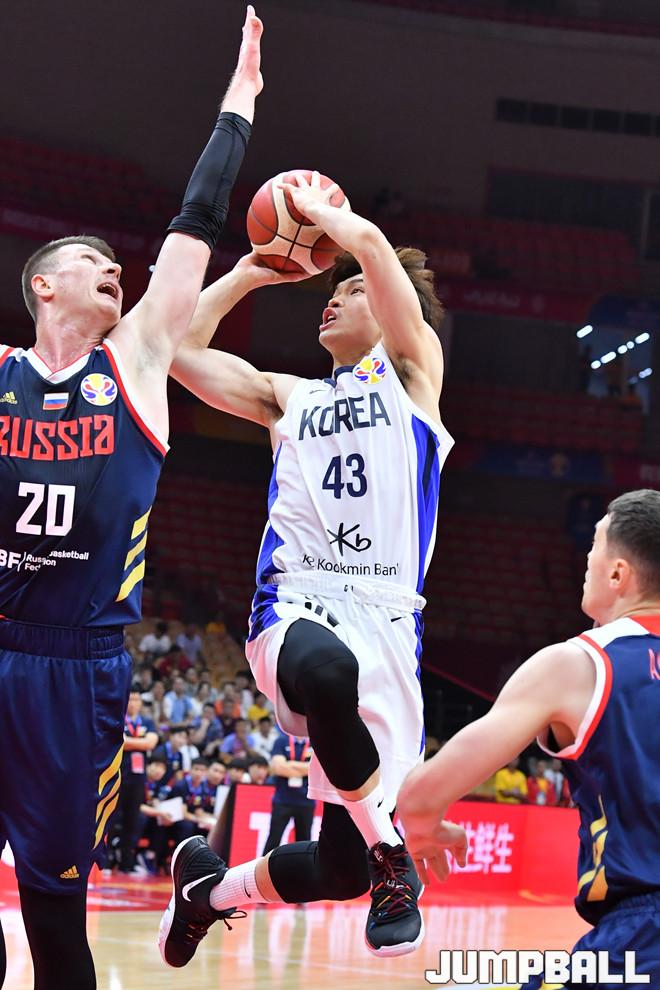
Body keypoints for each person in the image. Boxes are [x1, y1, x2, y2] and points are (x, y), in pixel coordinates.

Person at [0, 8, 261, 984]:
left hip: (77, 673)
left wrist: (240, 101)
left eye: (118, 266)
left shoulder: (138, 361)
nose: (114, 270)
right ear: (43, 288)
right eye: (90, 263)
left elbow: (193, 228)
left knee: (55, 919)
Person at [157, 170, 452, 967]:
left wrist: (327, 215)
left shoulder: (413, 376)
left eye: (352, 291)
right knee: (325, 671)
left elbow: (376, 254)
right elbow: (178, 352)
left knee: (338, 870)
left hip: (388, 623)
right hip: (297, 604)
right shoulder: (289, 397)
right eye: (333, 290)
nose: (334, 299)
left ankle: (208, 891)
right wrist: (250, 272)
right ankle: (394, 857)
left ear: (388, 307)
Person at [397, 489, 660, 988]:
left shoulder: (577, 664)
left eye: (594, 545)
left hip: (642, 939)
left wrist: (426, 828)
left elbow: (419, 798)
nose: (585, 559)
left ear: (618, 574)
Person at [116, 691, 159, 874]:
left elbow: (150, 744)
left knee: (133, 820)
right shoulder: (118, 718)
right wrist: (139, 742)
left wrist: (128, 742)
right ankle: (107, 861)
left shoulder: (147, 722)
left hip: (138, 778)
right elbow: (117, 741)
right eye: (130, 699)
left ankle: (127, 863)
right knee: (112, 819)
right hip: (118, 775)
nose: (133, 703)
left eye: (136, 699)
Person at [262, 734, 316, 855]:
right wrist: (306, 768)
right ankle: (264, 865)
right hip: (282, 800)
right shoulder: (281, 740)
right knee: (274, 838)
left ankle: (302, 867)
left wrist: (289, 764)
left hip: (306, 800)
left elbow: (318, 768)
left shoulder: (316, 740)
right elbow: (278, 768)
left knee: (304, 842)